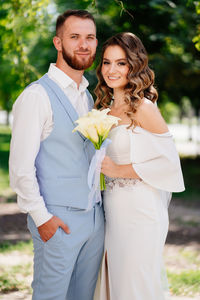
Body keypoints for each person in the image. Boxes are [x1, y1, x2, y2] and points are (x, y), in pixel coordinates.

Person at [9, 10, 104, 300]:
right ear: (58, 43)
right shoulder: (37, 96)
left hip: (95, 220)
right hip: (57, 221)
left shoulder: (88, 96)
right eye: (74, 37)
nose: (83, 44)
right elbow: (20, 169)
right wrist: (42, 218)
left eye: (89, 37)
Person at [94, 32, 185, 300]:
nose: (112, 70)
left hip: (141, 213)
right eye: (107, 62)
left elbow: (168, 163)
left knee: (135, 285)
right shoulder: (104, 109)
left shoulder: (143, 108)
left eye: (121, 63)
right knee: (116, 282)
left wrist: (116, 170)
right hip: (112, 211)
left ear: (134, 65)